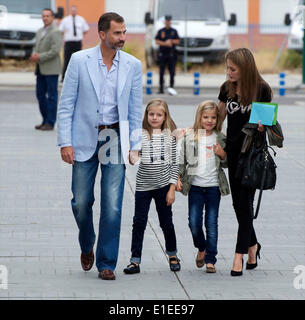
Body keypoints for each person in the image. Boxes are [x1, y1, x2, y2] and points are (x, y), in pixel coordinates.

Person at [57, 12, 143, 281]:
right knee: (81, 202)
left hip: (115, 138)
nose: (122, 38)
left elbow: (134, 108)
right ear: (102, 34)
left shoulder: (132, 65)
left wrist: (135, 144)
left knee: (113, 205)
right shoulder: (79, 60)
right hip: (83, 137)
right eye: (117, 33)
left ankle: (106, 262)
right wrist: (65, 142)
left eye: (124, 32)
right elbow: (66, 104)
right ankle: (87, 243)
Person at [217, 48, 277, 276]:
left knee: (245, 205)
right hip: (232, 154)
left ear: (246, 68)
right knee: (238, 205)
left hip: (252, 154)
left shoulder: (262, 90)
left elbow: (268, 123)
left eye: (233, 69)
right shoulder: (226, 88)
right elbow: (220, 117)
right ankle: (253, 246)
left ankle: (238, 256)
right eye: (228, 68)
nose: (229, 72)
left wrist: (264, 126)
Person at [123, 98, 181, 275]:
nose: (154, 117)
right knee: (138, 222)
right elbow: (133, 159)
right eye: (151, 114)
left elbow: (174, 164)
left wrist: (172, 189)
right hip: (143, 186)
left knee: (166, 223)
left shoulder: (169, 137)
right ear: (146, 115)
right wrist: (132, 154)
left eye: (159, 114)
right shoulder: (140, 135)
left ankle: (172, 255)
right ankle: (135, 260)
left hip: (163, 186)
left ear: (165, 117)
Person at [176, 101, 230, 273]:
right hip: (196, 187)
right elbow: (181, 160)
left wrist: (222, 154)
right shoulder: (191, 137)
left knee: (212, 224)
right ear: (199, 117)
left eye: (213, 117)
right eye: (206, 117)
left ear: (218, 119)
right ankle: (201, 247)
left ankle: (210, 259)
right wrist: (177, 178)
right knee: (194, 223)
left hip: (214, 187)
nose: (209, 120)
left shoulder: (221, 138)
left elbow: (228, 163)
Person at [30, 8, 62, 131]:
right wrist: (34, 54)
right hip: (40, 69)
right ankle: (44, 120)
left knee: (52, 96)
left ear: (52, 17)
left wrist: (39, 57)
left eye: (48, 16)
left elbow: (55, 51)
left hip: (51, 69)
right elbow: (35, 47)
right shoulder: (39, 31)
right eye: (43, 16)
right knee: (40, 94)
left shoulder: (56, 32)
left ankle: (50, 122)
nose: (45, 18)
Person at [59, 5, 89, 81]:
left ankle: (79, 77)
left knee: (79, 60)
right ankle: (64, 78)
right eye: (72, 10)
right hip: (68, 43)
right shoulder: (65, 20)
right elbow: (61, 30)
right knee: (67, 60)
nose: (73, 12)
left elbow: (86, 29)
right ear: (70, 11)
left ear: (76, 11)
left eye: (74, 10)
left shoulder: (81, 19)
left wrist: (79, 36)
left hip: (77, 43)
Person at [155, 15, 179, 94]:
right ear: (165, 22)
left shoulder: (174, 31)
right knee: (161, 72)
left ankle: (171, 88)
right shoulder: (161, 31)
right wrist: (165, 43)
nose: (168, 22)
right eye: (166, 21)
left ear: (170, 22)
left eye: (169, 21)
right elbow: (157, 41)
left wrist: (171, 41)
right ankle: (161, 88)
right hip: (163, 54)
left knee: (172, 72)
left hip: (171, 55)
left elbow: (178, 41)